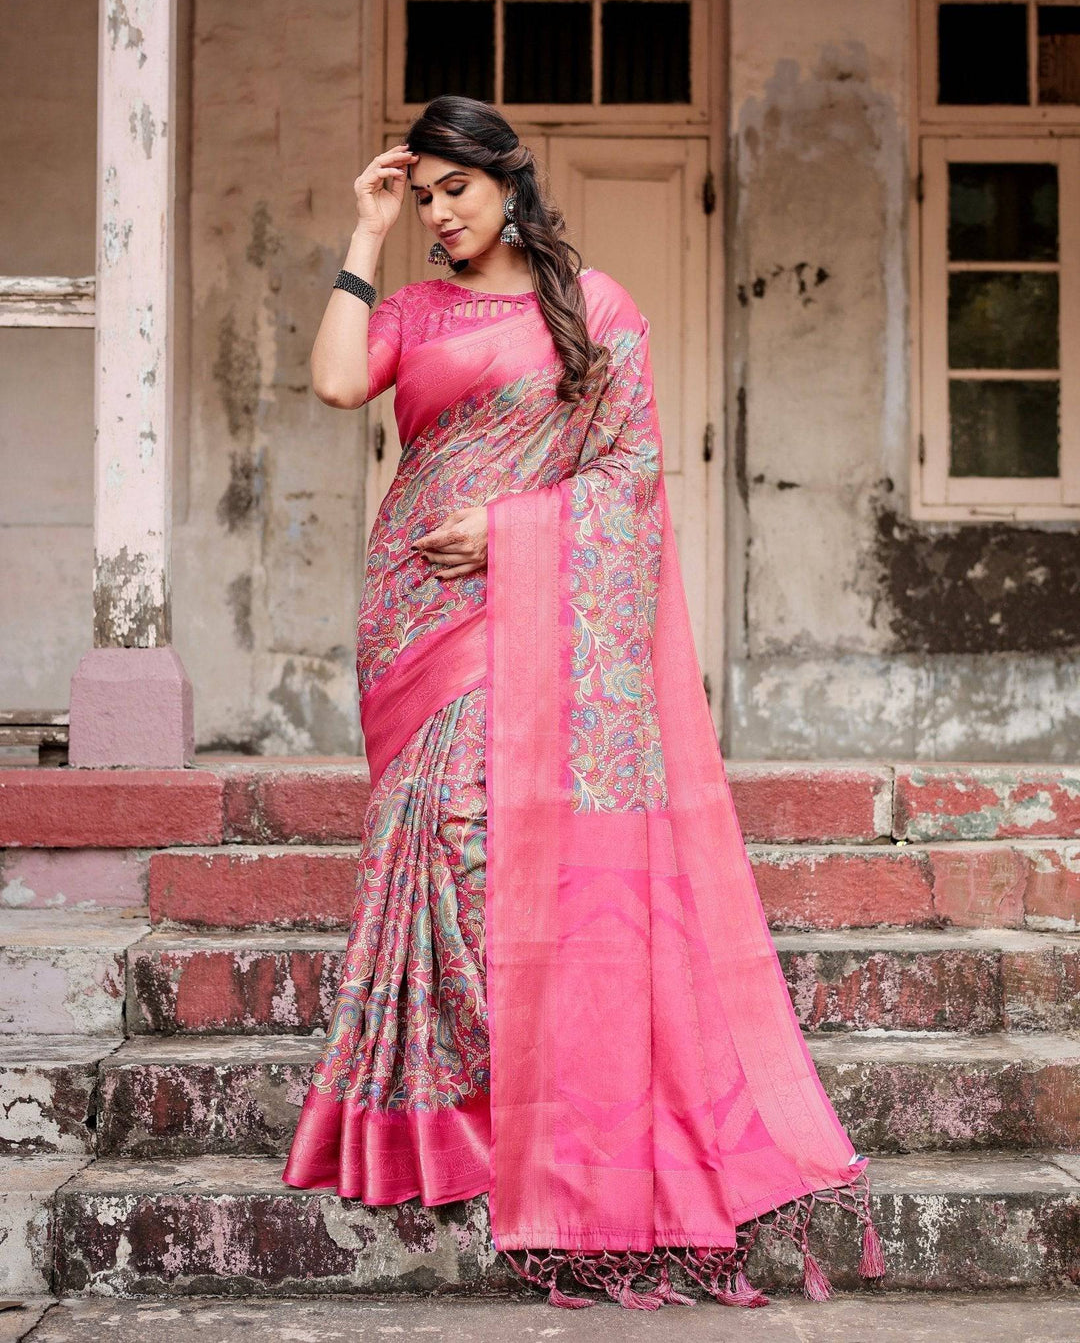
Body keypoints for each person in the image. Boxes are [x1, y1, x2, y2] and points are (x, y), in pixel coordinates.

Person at [282, 93, 885, 1311]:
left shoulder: (595, 308)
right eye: (426, 193)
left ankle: (559, 1119)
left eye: (459, 189)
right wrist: (363, 232)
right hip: (416, 614)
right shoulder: (407, 307)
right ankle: (470, 1130)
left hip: (526, 607)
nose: (440, 215)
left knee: (496, 844)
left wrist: (510, 532)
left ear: (510, 182)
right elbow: (340, 387)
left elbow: (627, 480)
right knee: (440, 847)